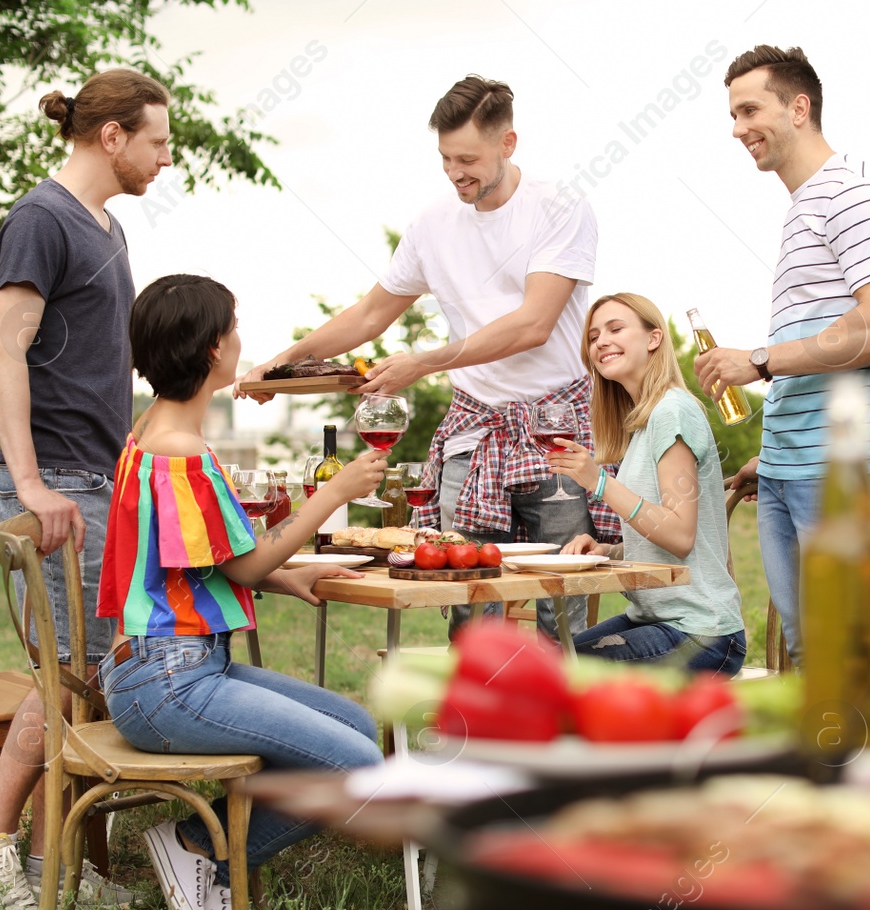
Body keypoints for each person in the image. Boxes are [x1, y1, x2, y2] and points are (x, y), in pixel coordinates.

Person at [236, 75, 618, 642]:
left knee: (554, 594)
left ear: (507, 144)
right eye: (445, 158)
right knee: (463, 588)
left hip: (552, 429)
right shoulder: (432, 224)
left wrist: (424, 362)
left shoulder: (559, 206)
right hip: (474, 427)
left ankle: (550, 721)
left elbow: (534, 323)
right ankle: (474, 719)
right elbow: (369, 315)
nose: (455, 171)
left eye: (468, 158)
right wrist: (282, 364)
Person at [97, 274, 386, 910]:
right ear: (211, 349)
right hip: (170, 682)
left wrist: (295, 579)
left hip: (170, 666)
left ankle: (209, 855)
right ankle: (199, 848)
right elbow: (246, 566)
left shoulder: (151, 431)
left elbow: (214, 561)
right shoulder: (182, 451)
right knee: (359, 764)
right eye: (233, 327)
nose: (240, 339)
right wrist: (334, 491)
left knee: (356, 726)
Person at [0, 69, 173, 910]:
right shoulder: (42, 220)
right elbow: (4, 352)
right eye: (156, 140)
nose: (166, 157)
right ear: (111, 135)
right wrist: (36, 482)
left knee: (86, 679)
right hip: (57, 486)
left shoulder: (106, 228)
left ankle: (56, 869)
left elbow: (98, 368)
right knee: (67, 676)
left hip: (96, 478)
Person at [694, 45, 870, 746]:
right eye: (732, 113)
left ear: (799, 107)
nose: (738, 127)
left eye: (749, 109)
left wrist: (761, 360)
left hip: (842, 465)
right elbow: (829, 341)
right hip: (794, 461)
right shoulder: (805, 209)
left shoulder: (857, 193)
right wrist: (769, 455)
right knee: (814, 659)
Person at [551, 294, 748, 674]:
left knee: (562, 672)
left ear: (654, 338)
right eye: (593, 337)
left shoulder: (672, 410)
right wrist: (606, 551)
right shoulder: (642, 423)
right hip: (653, 620)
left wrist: (598, 481)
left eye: (615, 328)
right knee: (550, 659)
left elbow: (679, 536)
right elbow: (663, 545)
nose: (601, 342)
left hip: (703, 634)